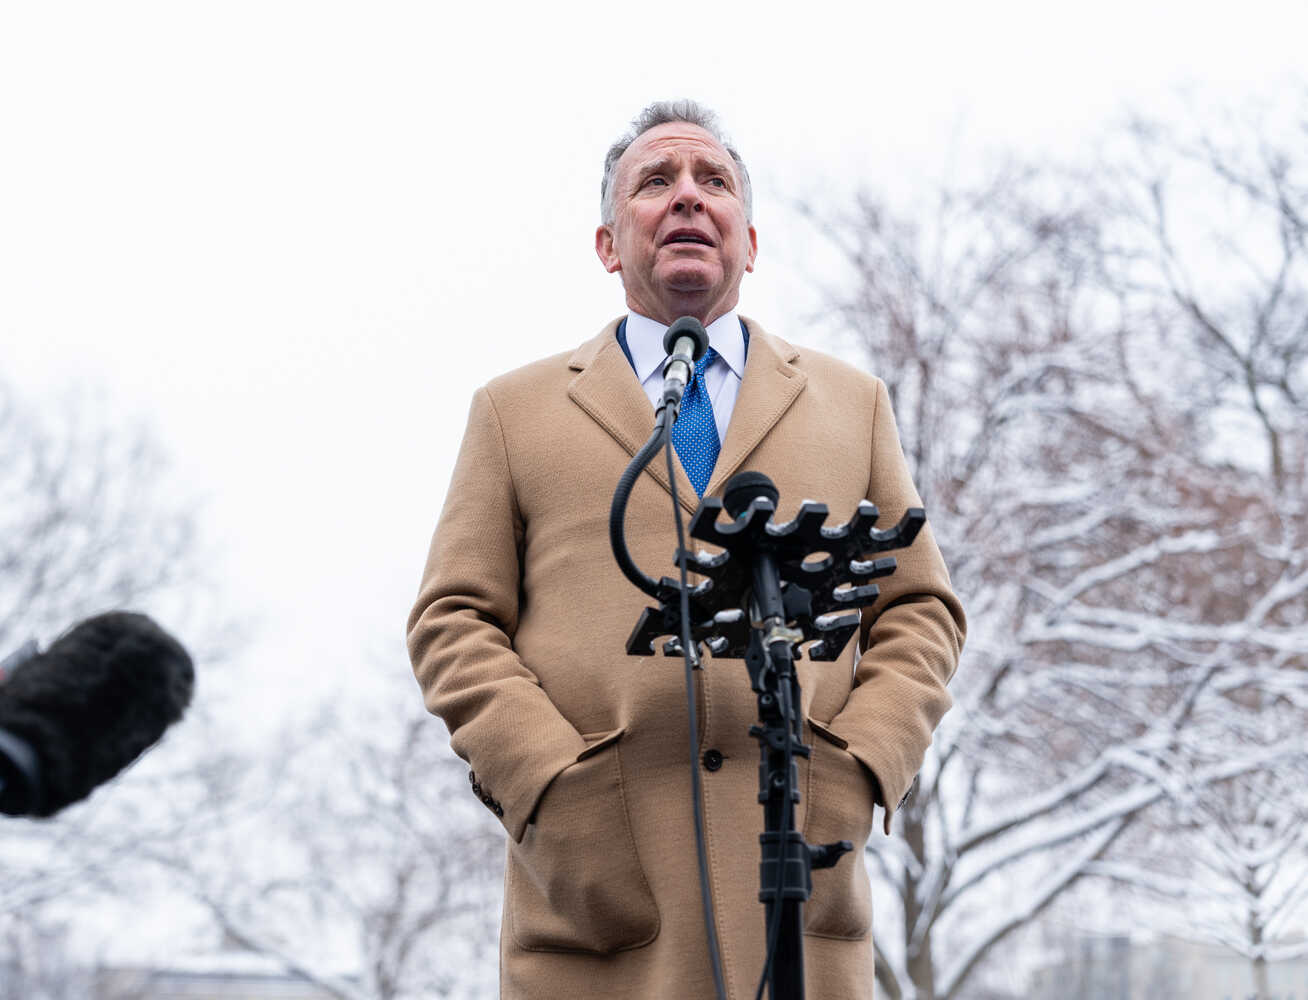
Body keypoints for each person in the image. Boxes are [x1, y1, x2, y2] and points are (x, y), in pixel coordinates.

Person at [407, 100, 965, 999]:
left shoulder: (851, 402)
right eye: (655, 183)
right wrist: (550, 786)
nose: (688, 200)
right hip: (601, 909)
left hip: (796, 890)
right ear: (606, 242)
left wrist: (859, 765)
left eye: (715, 183)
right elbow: (452, 620)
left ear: (750, 240)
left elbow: (919, 609)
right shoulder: (514, 412)